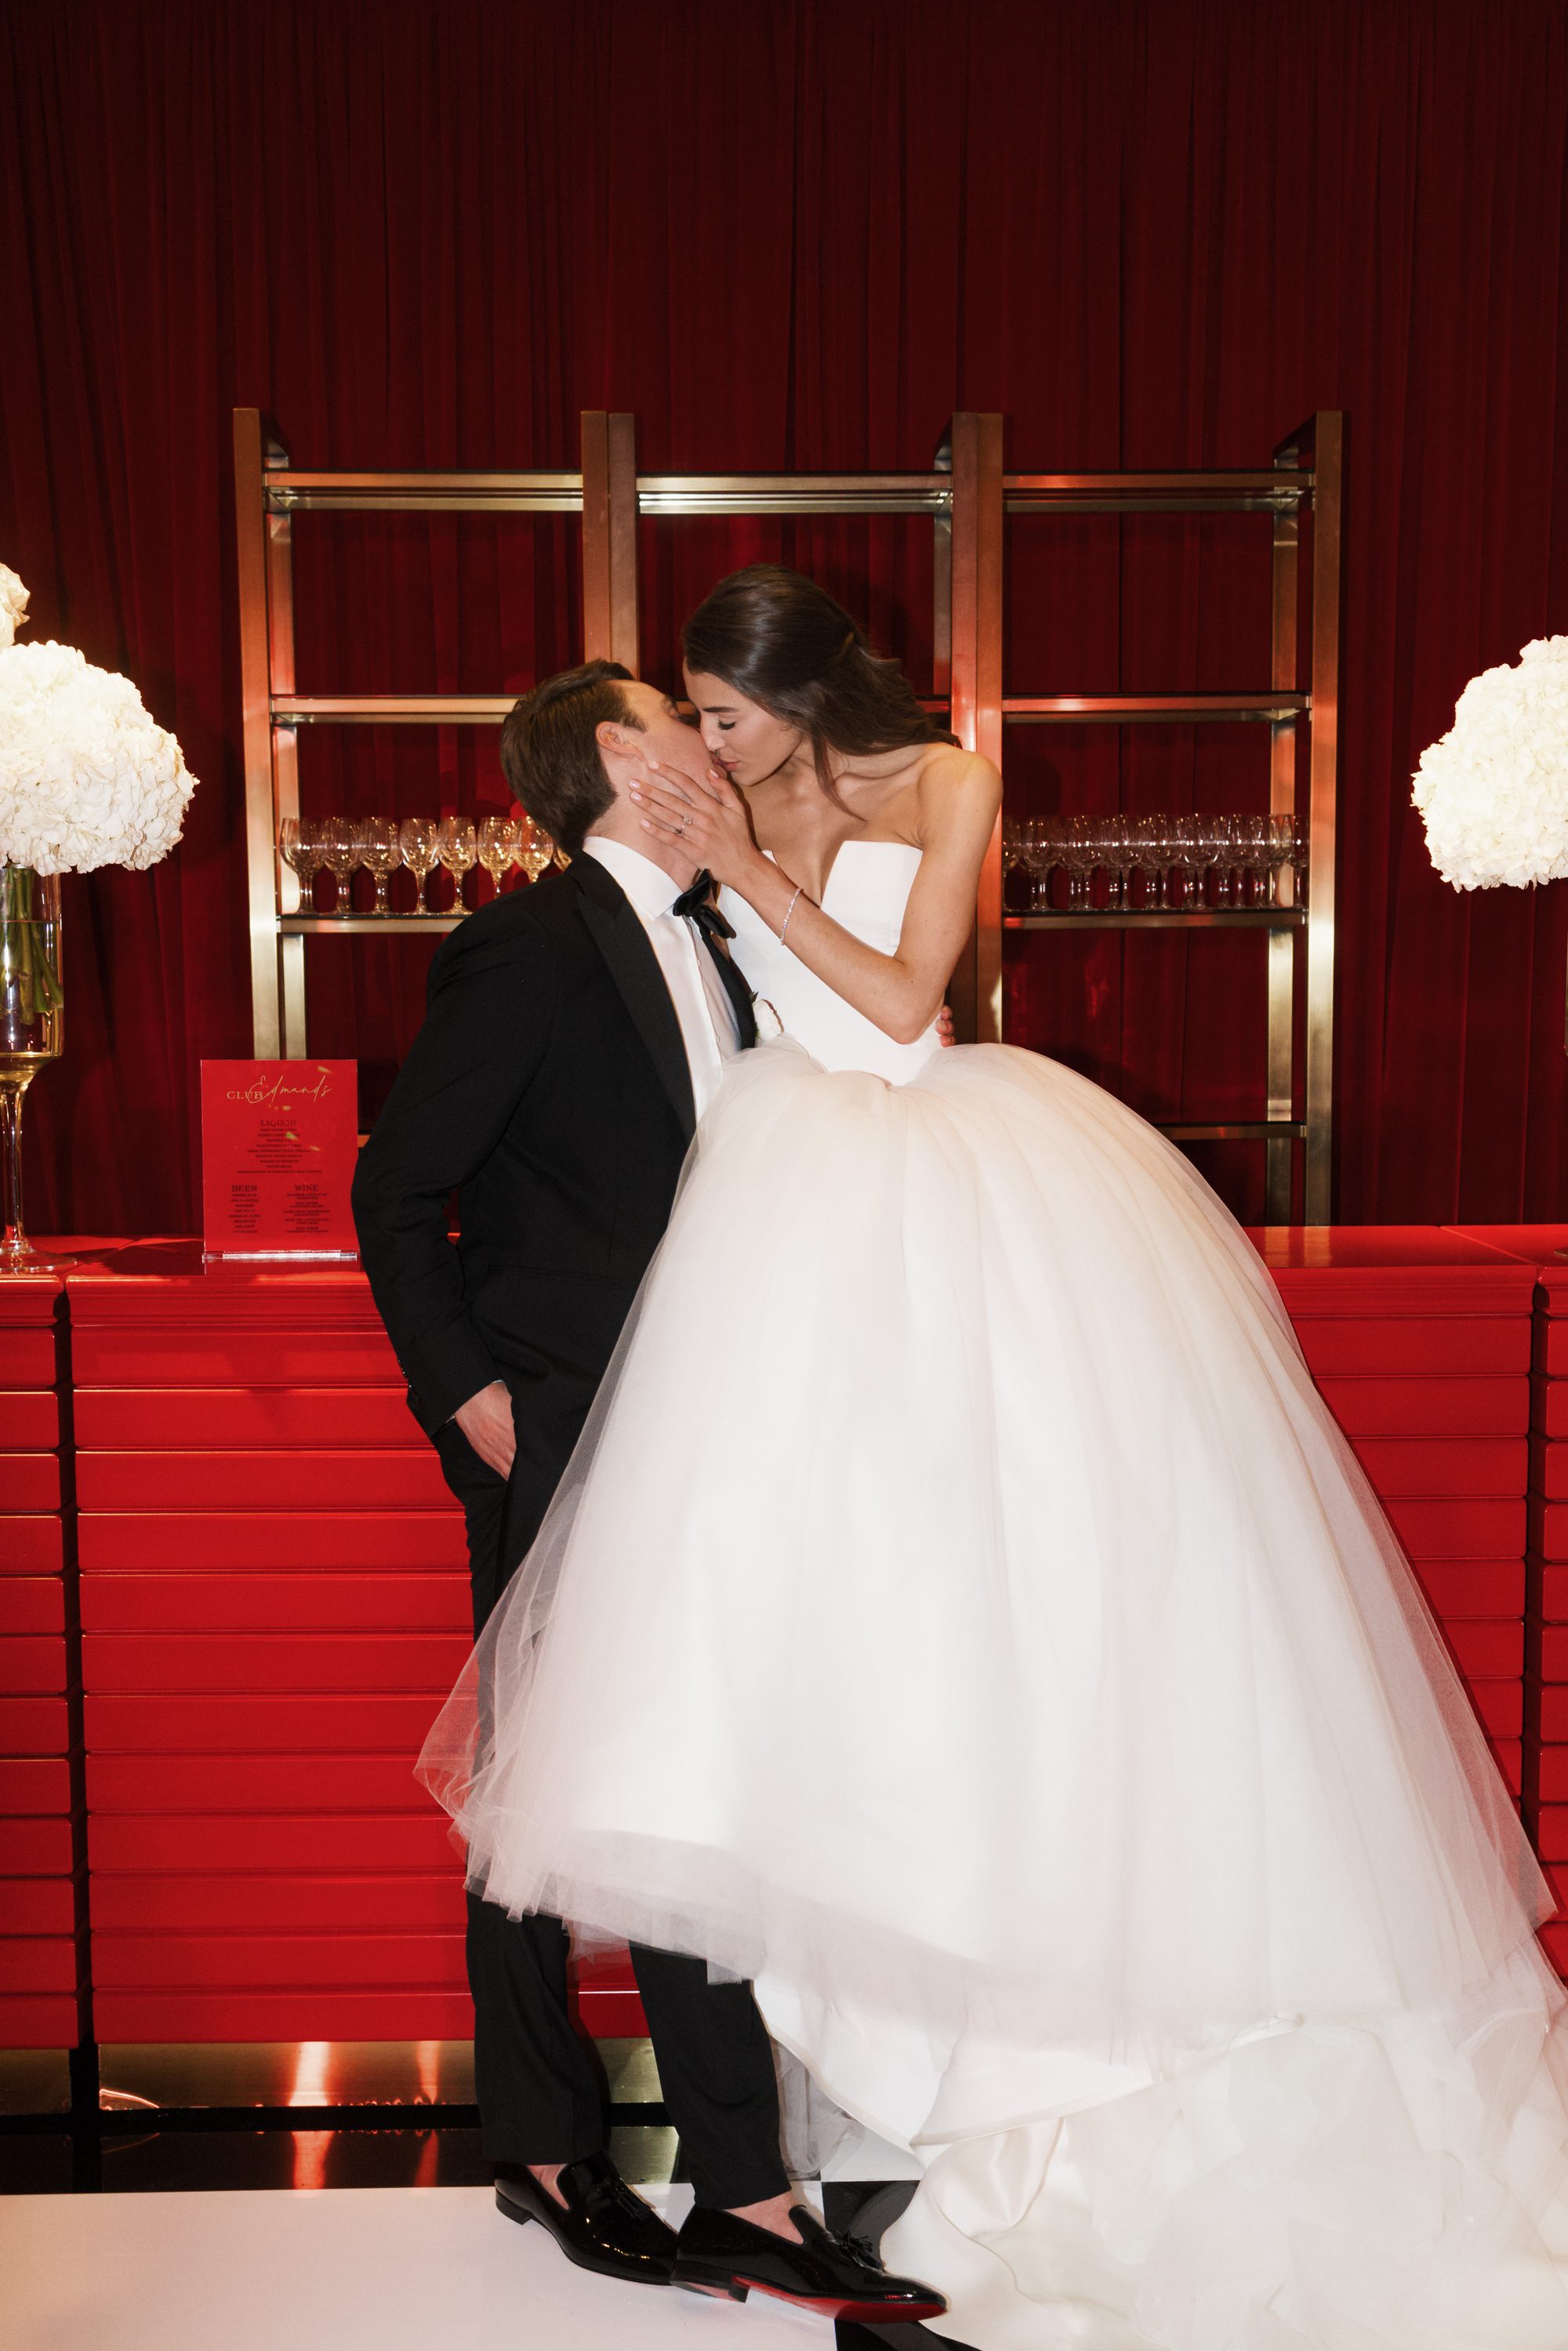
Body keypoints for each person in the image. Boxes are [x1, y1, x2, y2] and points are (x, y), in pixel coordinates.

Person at [423, 564, 1568, 2351]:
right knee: (768, 1655)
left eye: (719, 714)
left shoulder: (938, 778)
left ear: (796, 693)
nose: (701, 743)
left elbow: (894, 1003)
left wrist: (738, 865)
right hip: (769, 1236)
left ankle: (1004, 2029)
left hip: (930, 1189)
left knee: (1012, 1595)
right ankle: (745, 2101)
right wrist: (709, 844)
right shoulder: (705, 827)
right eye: (687, 722)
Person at [351, 657, 945, 2325]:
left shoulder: (725, 936)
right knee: (540, 1794)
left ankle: (736, 2178)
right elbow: (397, 1193)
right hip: (561, 1422)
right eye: (678, 719)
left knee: (690, 1789)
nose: (712, 737)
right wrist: (472, 1401)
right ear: (618, 755)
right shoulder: (528, 945)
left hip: (714, 1429)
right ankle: (547, 2150)